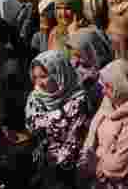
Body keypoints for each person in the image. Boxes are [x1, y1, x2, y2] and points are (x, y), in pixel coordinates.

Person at [25, 50, 93, 189]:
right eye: (36, 77)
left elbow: (76, 137)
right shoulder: (36, 97)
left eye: (44, 76)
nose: (39, 83)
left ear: (59, 74)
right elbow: (32, 126)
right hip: (44, 163)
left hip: (71, 168)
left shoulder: (79, 100)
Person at [79, 60, 128, 189]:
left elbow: (119, 163)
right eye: (103, 85)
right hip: (95, 176)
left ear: (122, 85)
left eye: (108, 86)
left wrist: (96, 166)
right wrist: (86, 157)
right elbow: (92, 132)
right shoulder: (109, 102)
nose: (103, 91)